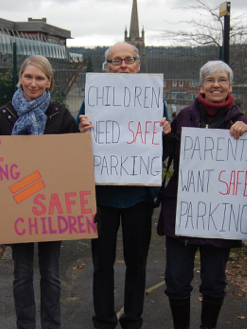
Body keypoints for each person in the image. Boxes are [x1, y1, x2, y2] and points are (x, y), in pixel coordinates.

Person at [77, 42, 171, 329]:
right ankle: (103, 320)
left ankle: (133, 319)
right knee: (102, 265)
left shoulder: (155, 99)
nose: (122, 65)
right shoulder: (92, 98)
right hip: (101, 196)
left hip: (138, 197)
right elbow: (76, 144)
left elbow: (164, 151)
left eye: (128, 60)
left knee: (137, 264)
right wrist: (79, 131)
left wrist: (167, 132)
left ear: (138, 65)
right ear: (106, 67)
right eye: (115, 61)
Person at [157, 61, 247, 329]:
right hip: (181, 212)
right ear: (201, 86)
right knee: (176, 280)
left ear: (230, 86)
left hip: (218, 219)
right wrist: (165, 137)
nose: (216, 85)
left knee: (213, 281)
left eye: (222, 80)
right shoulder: (184, 115)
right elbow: (166, 156)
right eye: (210, 80)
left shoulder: (242, 122)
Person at [0, 55, 78, 329]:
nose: (33, 83)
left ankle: (52, 324)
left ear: (49, 82)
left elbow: (74, 161)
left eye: (40, 78)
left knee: (51, 274)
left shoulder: (61, 116)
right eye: (28, 77)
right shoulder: (2, 116)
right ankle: (25, 325)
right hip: (16, 207)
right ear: (20, 78)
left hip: (51, 208)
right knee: (21, 274)